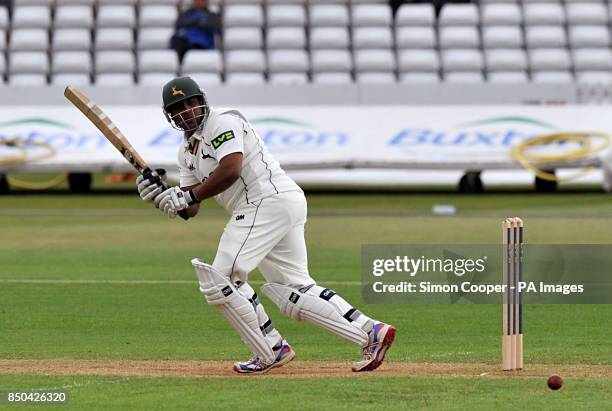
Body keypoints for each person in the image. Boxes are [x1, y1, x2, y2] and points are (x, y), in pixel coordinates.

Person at [136, 76, 396, 375]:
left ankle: (271, 348)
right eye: (178, 108)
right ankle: (371, 332)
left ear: (202, 100)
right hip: (276, 205)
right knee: (293, 290)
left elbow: (230, 169)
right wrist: (162, 195)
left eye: (190, 103)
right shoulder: (186, 154)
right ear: (170, 116)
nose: (186, 111)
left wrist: (187, 195)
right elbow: (191, 208)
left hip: (265, 200)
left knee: (221, 278)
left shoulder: (223, 122)